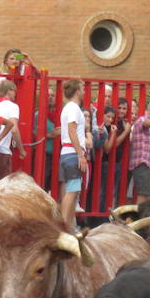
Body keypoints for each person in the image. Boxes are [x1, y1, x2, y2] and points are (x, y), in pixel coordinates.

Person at [55, 79, 87, 227]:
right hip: (73, 153)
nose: (85, 91)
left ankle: (67, 224)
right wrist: (80, 154)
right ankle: (64, 225)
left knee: (72, 190)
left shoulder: (67, 108)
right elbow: (72, 129)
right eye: (83, 88)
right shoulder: (74, 108)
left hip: (66, 152)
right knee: (72, 190)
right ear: (77, 91)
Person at [0, 79, 24, 181]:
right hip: (2, 151)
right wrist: (21, 150)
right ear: (9, 91)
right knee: (3, 187)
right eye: (14, 91)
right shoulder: (13, 106)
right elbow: (14, 129)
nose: (15, 94)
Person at [128, 100, 150, 205]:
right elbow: (145, 124)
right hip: (143, 163)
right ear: (148, 111)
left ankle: (143, 218)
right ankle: (139, 219)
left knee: (148, 196)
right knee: (143, 196)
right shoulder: (142, 120)